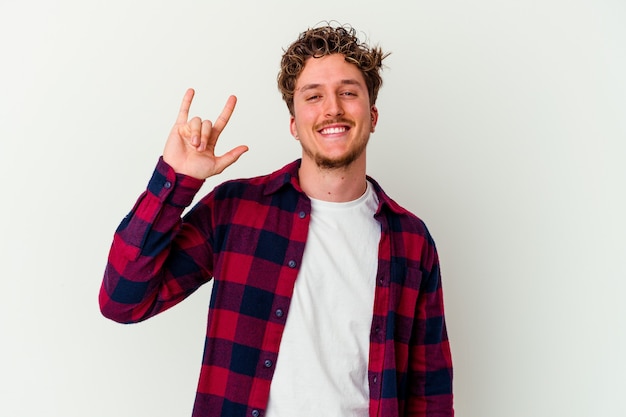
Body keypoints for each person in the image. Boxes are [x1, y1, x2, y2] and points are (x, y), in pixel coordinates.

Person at [100, 23, 454, 417]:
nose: (332, 107)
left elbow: (430, 394)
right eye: (313, 96)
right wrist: (175, 181)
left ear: (372, 115)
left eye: (348, 92)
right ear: (293, 124)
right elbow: (122, 301)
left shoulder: (411, 240)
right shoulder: (236, 209)